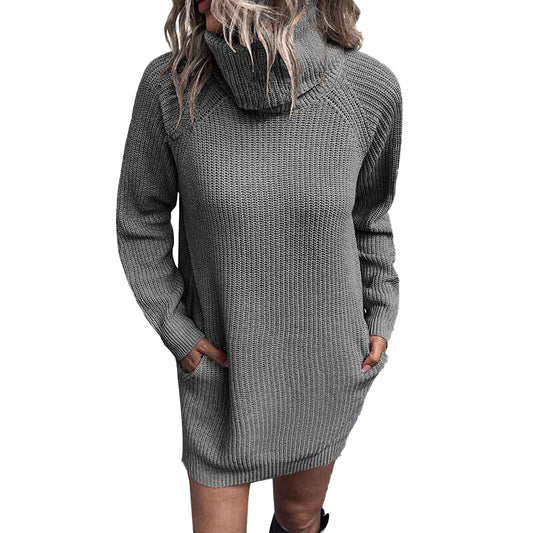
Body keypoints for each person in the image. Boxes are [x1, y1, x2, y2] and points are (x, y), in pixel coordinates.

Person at [116, 0, 403, 531]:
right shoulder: (172, 87)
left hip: (324, 368)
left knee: (298, 517)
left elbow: (369, 216)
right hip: (223, 376)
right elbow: (141, 217)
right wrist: (176, 329)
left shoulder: (368, 91)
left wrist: (381, 313)